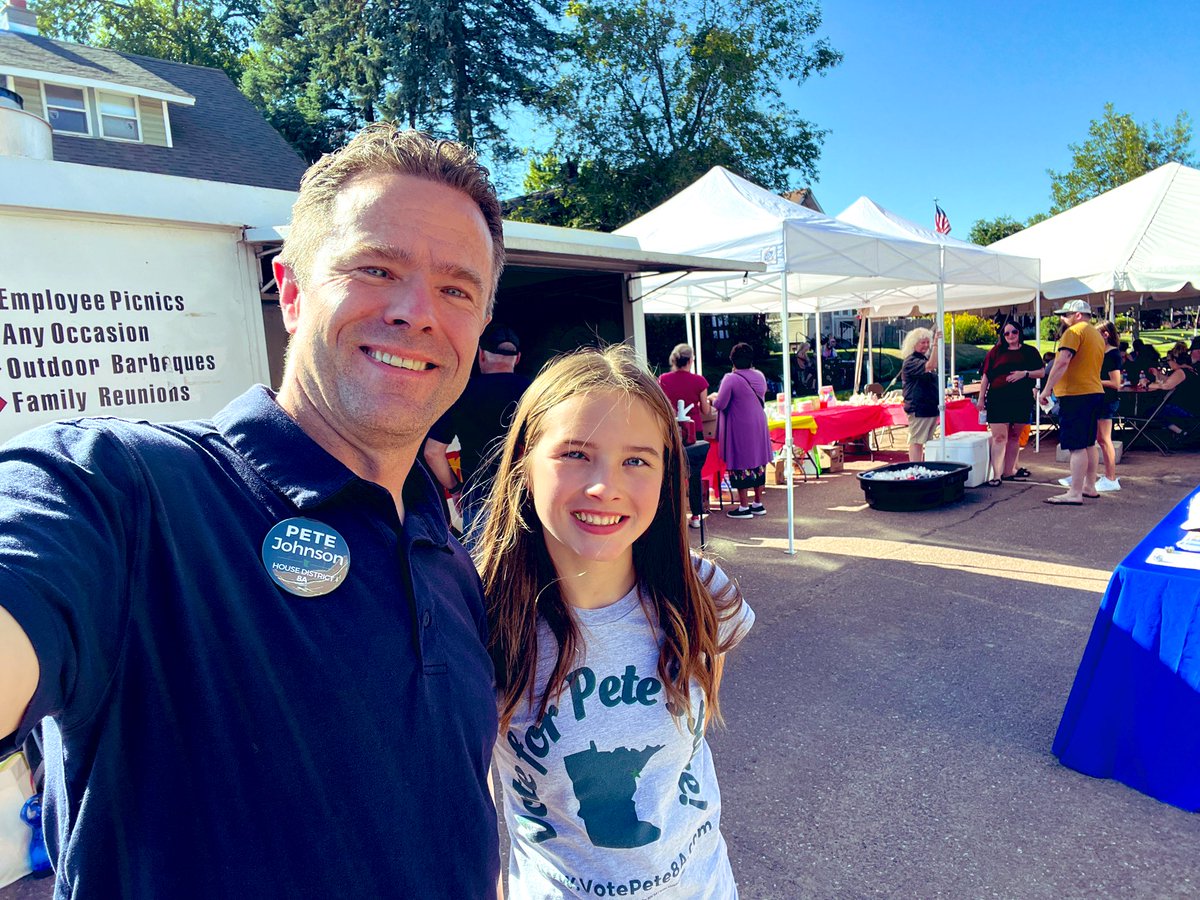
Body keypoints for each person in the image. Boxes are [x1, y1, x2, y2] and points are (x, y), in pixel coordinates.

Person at [0, 125, 506, 897]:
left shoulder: (442, 549)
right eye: (376, 268)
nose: (418, 311)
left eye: (458, 289)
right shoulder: (127, 491)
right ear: (294, 291)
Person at [476, 345, 755, 900]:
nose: (606, 485)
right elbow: (479, 797)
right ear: (525, 464)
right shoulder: (481, 619)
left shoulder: (699, 593)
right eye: (576, 453)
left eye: (636, 460)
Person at [425, 321, 531, 543]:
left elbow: (432, 452)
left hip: (478, 497)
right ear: (517, 358)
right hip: (528, 494)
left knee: (481, 572)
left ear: (481, 355)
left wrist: (455, 489)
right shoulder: (535, 392)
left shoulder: (460, 393)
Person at [1040, 299, 1105, 505]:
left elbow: (1062, 360)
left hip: (1075, 394)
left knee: (1076, 445)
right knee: (1088, 443)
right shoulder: (1096, 334)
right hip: (1093, 391)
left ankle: (1075, 492)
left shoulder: (1074, 332)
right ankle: (1089, 486)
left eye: (1066, 314)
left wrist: (1047, 388)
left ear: (1077, 315)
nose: (1062, 318)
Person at [976, 319, 1044, 485]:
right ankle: (996, 474)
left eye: (1014, 332)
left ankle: (1008, 472)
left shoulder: (1030, 351)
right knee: (999, 437)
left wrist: (1025, 373)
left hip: (1021, 399)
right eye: (1006, 333)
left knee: (1014, 437)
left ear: (1019, 332)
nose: (1010, 335)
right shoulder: (995, 352)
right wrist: (980, 398)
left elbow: (1041, 372)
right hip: (998, 398)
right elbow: (986, 377)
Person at [710, 342, 772, 519]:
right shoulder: (759, 375)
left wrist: (712, 398)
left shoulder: (731, 378)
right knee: (759, 463)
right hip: (759, 422)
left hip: (740, 426)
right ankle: (758, 503)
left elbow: (720, 403)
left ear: (733, 361)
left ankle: (744, 506)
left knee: (741, 464)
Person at [658, 343, 712, 528]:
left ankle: (673, 513)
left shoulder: (663, 379)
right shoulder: (699, 381)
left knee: (670, 470)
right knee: (695, 472)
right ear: (690, 360)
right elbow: (705, 409)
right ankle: (696, 515)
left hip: (671, 430)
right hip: (693, 430)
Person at [900, 327, 941, 461]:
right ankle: (915, 467)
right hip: (918, 408)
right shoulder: (911, 361)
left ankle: (922, 467)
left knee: (926, 442)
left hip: (929, 408)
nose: (925, 345)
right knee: (917, 441)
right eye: (922, 342)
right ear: (914, 344)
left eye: (927, 342)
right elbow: (931, 365)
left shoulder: (922, 359)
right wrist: (935, 344)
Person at [1093, 321, 1124, 492]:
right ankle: (1107, 475)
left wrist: (1094, 381)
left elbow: (1116, 383)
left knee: (1105, 440)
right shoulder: (1103, 353)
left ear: (1105, 334)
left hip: (1107, 400)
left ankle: (1111, 477)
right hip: (1100, 399)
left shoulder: (1113, 355)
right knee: (1101, 439)